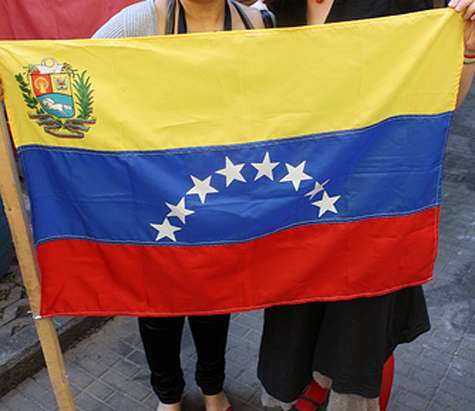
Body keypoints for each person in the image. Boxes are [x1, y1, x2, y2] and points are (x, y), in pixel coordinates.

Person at [257, 1, 475, 411]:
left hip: (372, 208)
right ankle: (309, 388)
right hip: (298, 209)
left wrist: (467, 50)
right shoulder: (274, 8)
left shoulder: (401, 3)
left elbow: (441, 100)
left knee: (359, 340)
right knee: (292, 337)